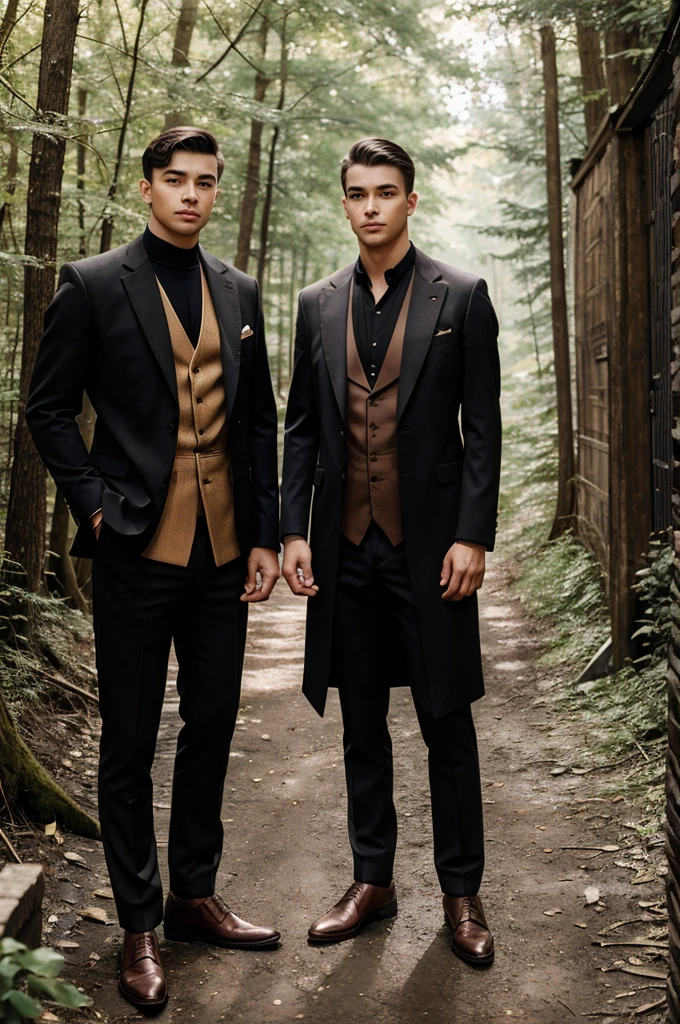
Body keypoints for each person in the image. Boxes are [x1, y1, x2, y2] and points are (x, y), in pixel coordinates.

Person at [27, 126, 281, 1013]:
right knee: (131, 738)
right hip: (135, 548)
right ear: (146, 189)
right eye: (175, 180)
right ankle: (137, 923)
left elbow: (257, 423)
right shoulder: (93, 284)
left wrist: (263, 533)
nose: (190, 195)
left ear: (216, 193)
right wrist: (94, 507)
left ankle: (193, 897)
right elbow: (49, 407)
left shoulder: (240, 291)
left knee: (210, 722)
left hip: (221, 553)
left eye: (205, 183)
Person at [280, 137, 502, 966]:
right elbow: (303, 426)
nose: (370, 206)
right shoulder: (316, 302)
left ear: (411, 201)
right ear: (345, 204)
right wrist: (293, 527)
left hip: (432, 549)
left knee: (447, 722)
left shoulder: (463, 296)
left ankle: (462, 892)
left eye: (385, 192)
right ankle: (372, 881)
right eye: (357, 194)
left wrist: (474, 533)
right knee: (361, 722)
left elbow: (482, 431)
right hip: (346, 549)